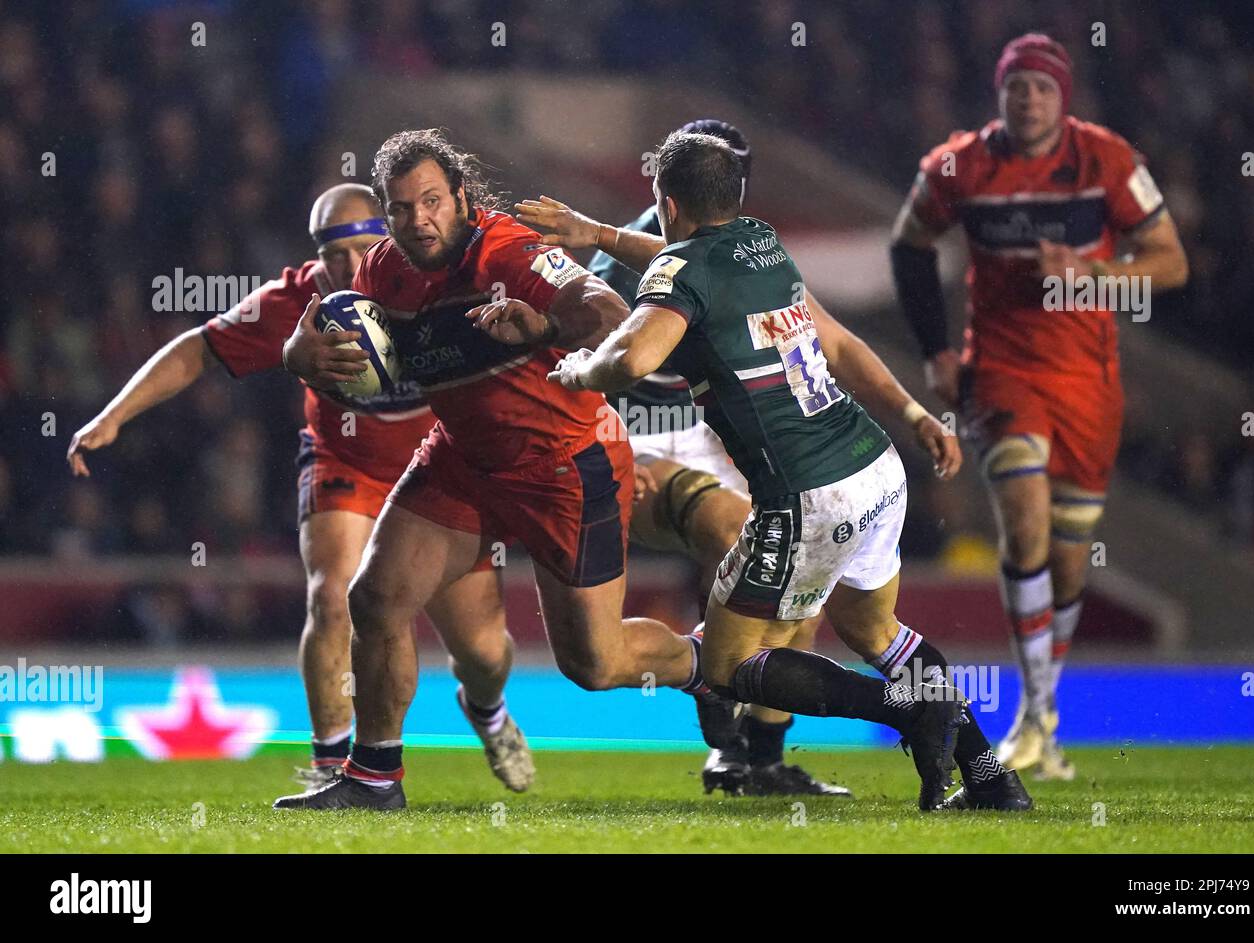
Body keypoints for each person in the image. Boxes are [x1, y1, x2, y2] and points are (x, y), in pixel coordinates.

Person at [549, 130, 1030, 811]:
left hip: (807, 492)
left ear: (666, 199)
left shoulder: (677, 273)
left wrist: (577, 369)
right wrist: (914, 413)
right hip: (873, 467)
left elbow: (631, 358)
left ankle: (906, 712)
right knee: (878, 633)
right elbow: (795, 319)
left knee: (727, 662)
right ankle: (990, 777)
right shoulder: (761, 245)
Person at [273, 130, 713, 811]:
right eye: (399, 209)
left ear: (463, 197)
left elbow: (610, 315)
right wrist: (299, 357)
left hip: (562, 463)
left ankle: (704, 663)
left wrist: (543, 329)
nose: (417, 220)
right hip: (464, 460)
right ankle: (374, 777)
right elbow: (333, 357)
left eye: (431, 202)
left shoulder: (511, 250)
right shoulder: (381, 274)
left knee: (594, 665)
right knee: (373, 597)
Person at [67, 184, 534, 793]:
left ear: (389, 238)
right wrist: (114, 416)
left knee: (482, 652)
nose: (343, 266)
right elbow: (197, 350)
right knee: (332, 592)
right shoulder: (299, 300)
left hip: (438, 475)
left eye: (358, 246)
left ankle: (487, 709)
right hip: (346, 463)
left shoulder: (438, 283)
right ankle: (331, 763)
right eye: (327, 250)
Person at [889, 33, 1189, 779]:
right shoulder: (957, 165)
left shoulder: (1107, 161)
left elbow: (1171, 266)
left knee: (1067, 554)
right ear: (999, 93)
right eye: (1016, 86)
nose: (1028, 99)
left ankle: (1040, 714)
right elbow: (909, 243)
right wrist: (936, 351)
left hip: (1088, 383)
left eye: (1043, 88)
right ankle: (1034, 719)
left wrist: (1088, 274)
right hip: (1003, 373)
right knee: (1023, 514)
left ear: (1065, 97)